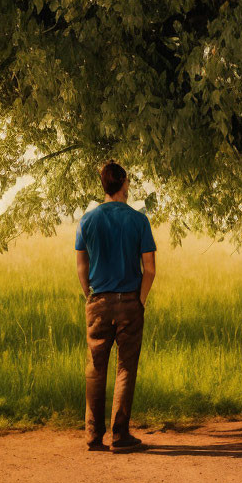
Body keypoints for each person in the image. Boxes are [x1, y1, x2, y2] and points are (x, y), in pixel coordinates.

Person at [75, 161, 157, 453]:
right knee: (125, 368)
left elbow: (81, 264)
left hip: (98, 302)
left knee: (96, 368)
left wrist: (89, 294)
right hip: (128, 302)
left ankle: (93, 436)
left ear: (103, 186)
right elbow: (149, 269)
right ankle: (120, 435)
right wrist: (141, 299)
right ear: (124, 183)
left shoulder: (87, 220)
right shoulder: (138, 220)